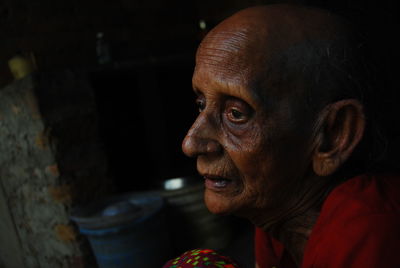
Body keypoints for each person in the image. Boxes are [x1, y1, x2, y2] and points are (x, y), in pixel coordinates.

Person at [165, 4, 400, 268]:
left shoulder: (370, 230)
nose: (191, 143)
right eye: (201, 105)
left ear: (334, 134)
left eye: (236, 114)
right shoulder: (276, 207)